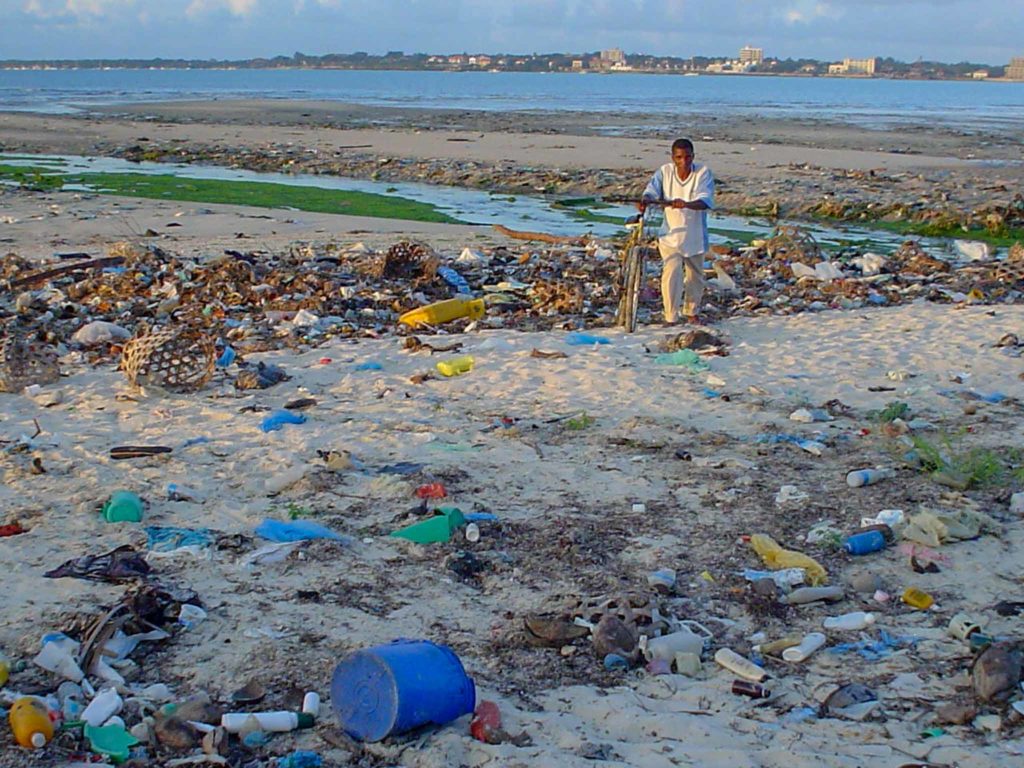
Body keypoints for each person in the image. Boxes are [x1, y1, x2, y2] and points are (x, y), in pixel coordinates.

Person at [640, 138, 715, 325]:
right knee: (671, 273)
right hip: (670, 234)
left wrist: (686, 204)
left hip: (695, 235)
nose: (684, 162)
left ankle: (691, 312)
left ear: (693, 157)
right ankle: (671, 316)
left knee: (695, 276)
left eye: (688, 157)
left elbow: (704, 200)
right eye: (679, 157)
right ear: (673, 158)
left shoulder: (702, 173)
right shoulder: (665, 172)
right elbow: (651, 191)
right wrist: (646, 200)